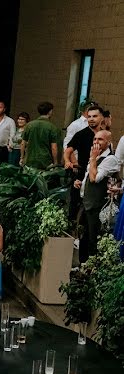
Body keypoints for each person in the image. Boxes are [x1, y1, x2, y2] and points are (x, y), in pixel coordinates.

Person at [74, 130, 121, 261]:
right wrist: (81, 183)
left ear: (108, 142)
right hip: (86, 202)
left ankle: (91, 270)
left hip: (97, 205)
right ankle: (81, 268)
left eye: (100, 140)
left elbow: (95, 178)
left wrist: (93, 158)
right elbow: (88, 178)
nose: (96, 142)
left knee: (93, 239)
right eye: (94, 139)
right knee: (83, 237)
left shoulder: (110, 159)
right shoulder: (95, 157)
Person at [65, 104, 105, 229]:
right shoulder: (81, 134)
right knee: (76, 202)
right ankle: (72, 228)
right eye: (89, 116)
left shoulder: (105, 134)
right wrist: (68, 161)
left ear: (102, 118)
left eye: (94, 116)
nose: (91, 119)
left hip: (99, 173)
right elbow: (68, 150)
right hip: (82, 173)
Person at [21, 102, 60, 169]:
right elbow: (54, 147)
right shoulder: (52, 127)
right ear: (50, 111)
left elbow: (23, 143)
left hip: (30, 159)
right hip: (45, 160)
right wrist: (55, 162)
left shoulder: (29, 125)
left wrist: (22, 157)